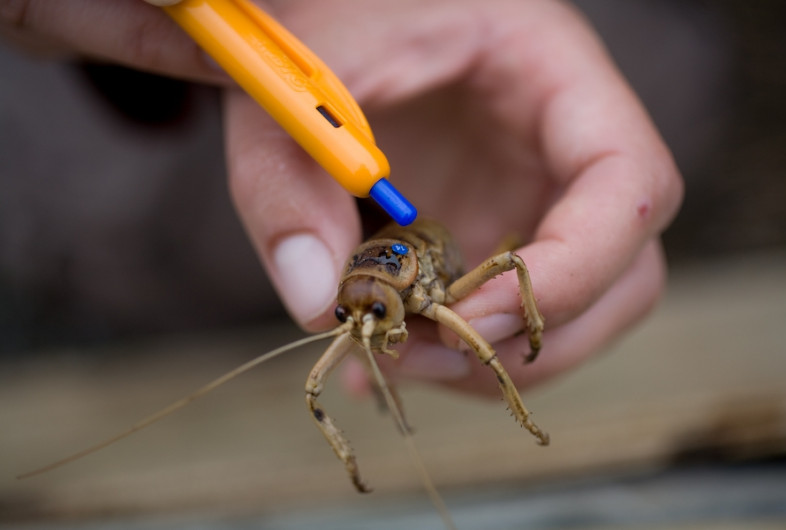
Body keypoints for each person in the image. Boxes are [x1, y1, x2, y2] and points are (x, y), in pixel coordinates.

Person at [0, 0, 683, 396]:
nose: (359, 319)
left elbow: (510, 267)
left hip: (437, 235)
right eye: (352, 310)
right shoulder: (360, 301)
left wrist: (527, 325)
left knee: (513, 263)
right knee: (304, 375)